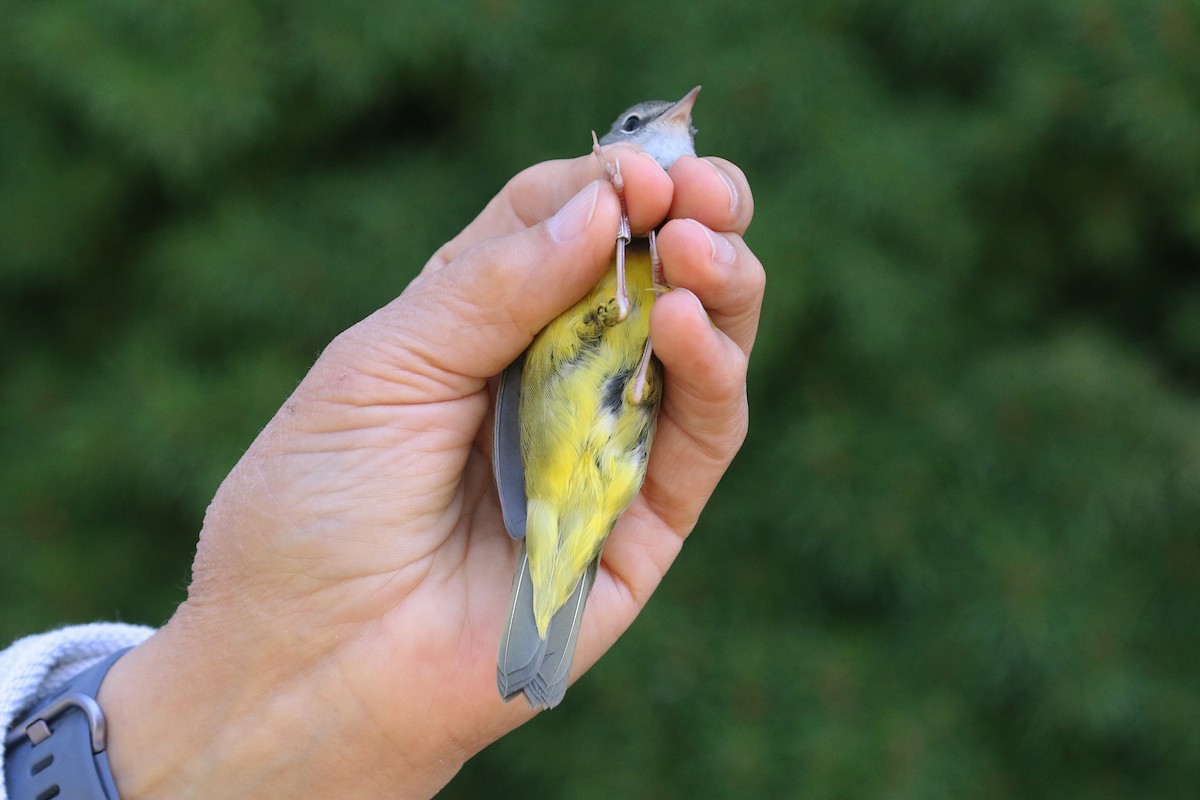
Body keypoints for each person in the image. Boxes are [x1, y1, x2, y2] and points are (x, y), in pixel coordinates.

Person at [1, 142, 763, 799]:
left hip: (603, 468)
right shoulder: (599, 247)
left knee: (663, 358)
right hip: (565, 455)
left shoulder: (653, 262)